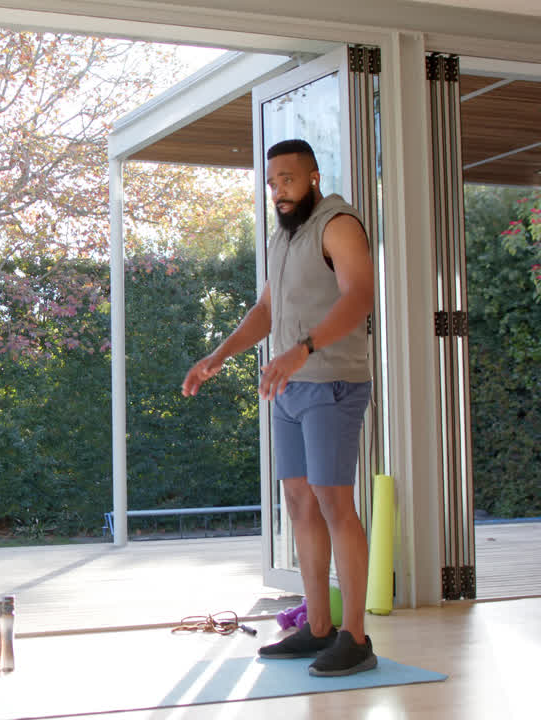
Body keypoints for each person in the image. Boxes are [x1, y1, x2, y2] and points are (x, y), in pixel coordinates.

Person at [181, 139, 377, 677]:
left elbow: (359, 295)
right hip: (289, 388)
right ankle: (317, 629)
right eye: (271, 182)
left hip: (332, 382)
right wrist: (218, 355)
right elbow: (267, 308)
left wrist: (303, 349)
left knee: (334, 503)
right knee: (298, 503)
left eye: (287, 179)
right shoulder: (282, 238)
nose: (278, 190)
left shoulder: (338, 224)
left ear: (313, 177)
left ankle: (355, 638)